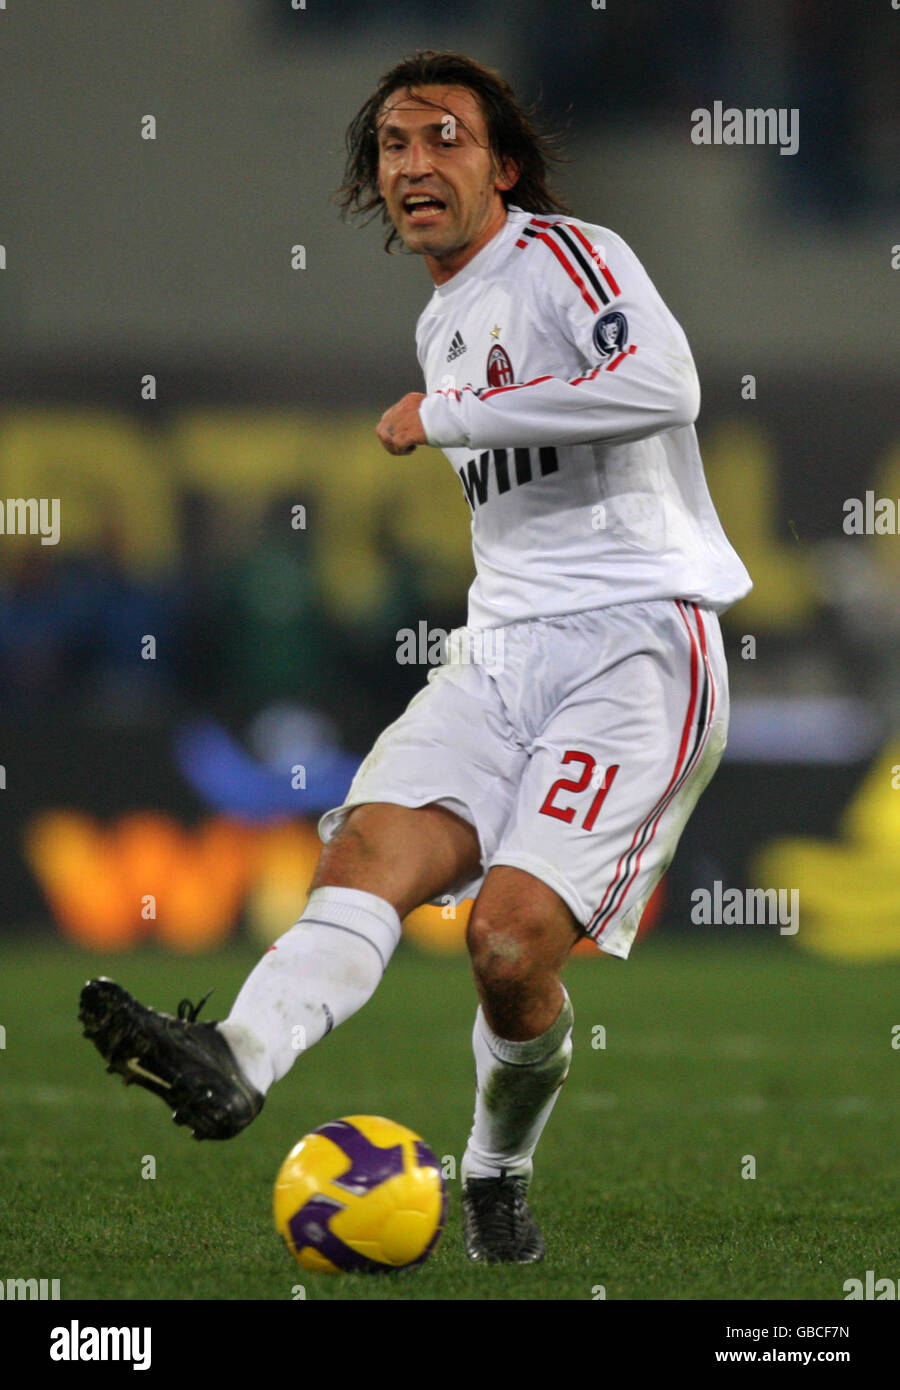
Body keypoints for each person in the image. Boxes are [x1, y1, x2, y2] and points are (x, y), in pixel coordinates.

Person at [80, 50, 752, 1265]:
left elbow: (664, 380)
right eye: (394, 144)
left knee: (507, 944)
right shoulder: (442, 316)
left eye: (446, 137)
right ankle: (237, 1056)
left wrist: (448, 414)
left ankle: (494, 1167)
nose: (415, 164)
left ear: (502, 165)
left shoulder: (566, 255)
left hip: (637, 648)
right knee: (366, 847)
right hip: (498, 651)